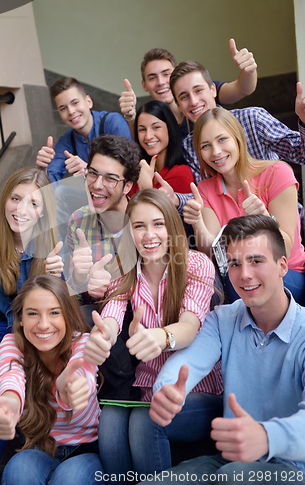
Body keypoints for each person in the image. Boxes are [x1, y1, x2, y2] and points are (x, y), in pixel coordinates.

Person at [141, 214, 305, 485]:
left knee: (233, 476)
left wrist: (266, 437)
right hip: (231, 461)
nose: (244, 275)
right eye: (235, 263)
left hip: (293, 466)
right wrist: (168, 389)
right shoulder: (223, 318)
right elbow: (189, 363)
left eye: (256, 261)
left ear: (282, 265)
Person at [83, 189, 221, 479]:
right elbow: (112, 316)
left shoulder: (196, 264)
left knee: (145, 422)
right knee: (108, 425)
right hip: (148, 387)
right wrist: (103, 335)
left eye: (158, 224)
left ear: (171, 226)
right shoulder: (125, 268)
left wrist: (161, 337)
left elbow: (189, 325)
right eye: (139, 226)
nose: (149, 235)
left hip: (196, 388)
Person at [0, 167, 63, 485]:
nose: (22, 209)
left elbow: (63, 311)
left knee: (6, 365)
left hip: (34, 329)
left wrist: (59, 279)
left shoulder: (55, 239)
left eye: (34, 203)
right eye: (15, 198)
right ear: (5, 198)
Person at [0, 275, 104, 485]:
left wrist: (72, 388)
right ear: (20, 318)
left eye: (54, 312)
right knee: (18, 472)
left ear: (67, 315)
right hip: (38, 449)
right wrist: (11, 403)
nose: (44, 324)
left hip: (86, 450)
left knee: (70, 480)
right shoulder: (12, 343)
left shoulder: (83, 342)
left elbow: (83, 373)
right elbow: (10, 378)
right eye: (33, 314)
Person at [182, 107, 305, 305]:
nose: (216, 151)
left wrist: (265, 220)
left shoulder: (277, 173)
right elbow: (213, 254)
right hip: (239, 277)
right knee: (218, 280)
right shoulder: (204, 189)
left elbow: (286, 250)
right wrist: (198, 224)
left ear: (238, 138)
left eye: (222, 139)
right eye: (205, 145)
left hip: (287, 274)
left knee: (239, 279)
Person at [161, 60, 305, 214]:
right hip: (236, 231)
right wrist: (176, 200)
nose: (194, 101)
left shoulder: (252, 119)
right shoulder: (189, 146)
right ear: (178, 105)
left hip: (285, 221)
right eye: (184, 97)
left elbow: (300, 154)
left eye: (198, 90)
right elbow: (204, 198)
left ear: (213, 90)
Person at [119, 40, 257, 139]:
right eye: (152, 78)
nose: (161, 82)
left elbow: (242, 89)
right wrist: (131, 118)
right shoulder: (152, 114)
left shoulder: (200, 92)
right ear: (144, 85)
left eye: (166, 74)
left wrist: (249, 71)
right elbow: (141, 146)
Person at [66, 134, 141, 302]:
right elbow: (75, 298)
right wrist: (80, 277)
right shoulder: (78, 221)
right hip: (96, 312)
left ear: (127, 186)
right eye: (93, 174)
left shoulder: (144, 222)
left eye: (110, 179)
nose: (97, 185)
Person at [36, 77, 132, 183]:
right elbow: (52, 178)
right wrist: (42, 170)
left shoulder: (112, 122)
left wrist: (90, 171)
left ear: (89, 102)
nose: (71, 111)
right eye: (63, 108)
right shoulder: (66, 141)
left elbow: (129, 168)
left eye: (75, 103)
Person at [131, 100, 193, 194]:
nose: (148, 136)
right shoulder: (139, 169)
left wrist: (146, 188)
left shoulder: (181, 173)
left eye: (156, 127)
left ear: (170, 128)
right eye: (142, 129)